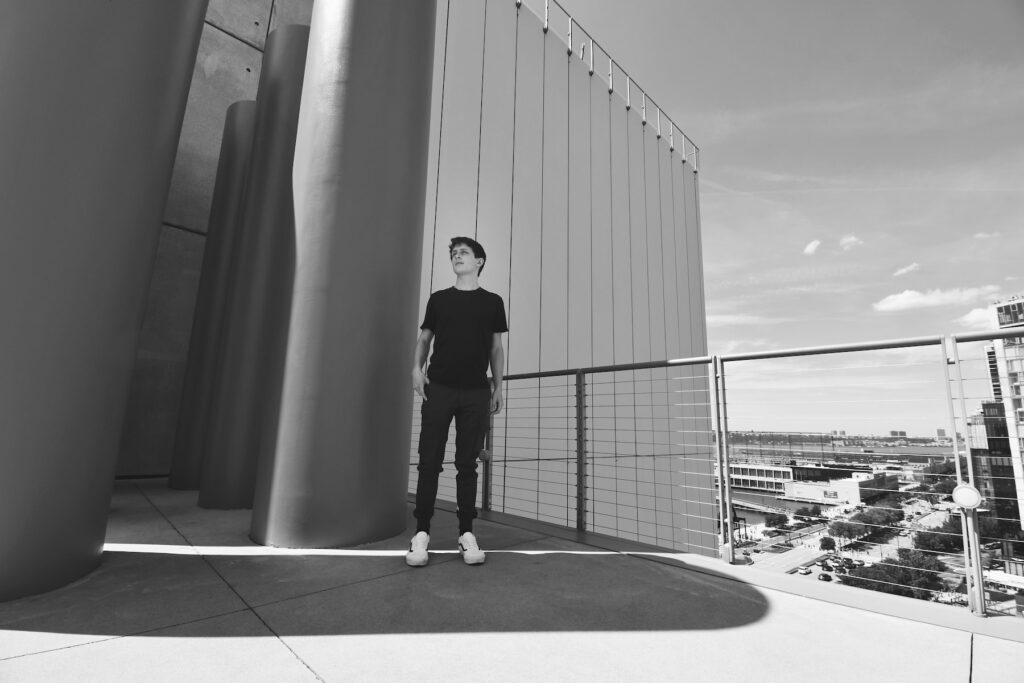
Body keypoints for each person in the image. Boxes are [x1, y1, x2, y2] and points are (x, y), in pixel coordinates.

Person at [407, 237, 507, 567]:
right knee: (429, 462)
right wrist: (416, 368)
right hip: (439, 389)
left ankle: (466, 534)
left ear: (479, 261)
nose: (457, 256)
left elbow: (495, 348)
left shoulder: (493, 302)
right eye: (453, 253)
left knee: (467, 465)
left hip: (477, 392)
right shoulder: (439, 300)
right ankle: (421, 534)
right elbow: (425, 338)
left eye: (464, 252)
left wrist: (498, 387)